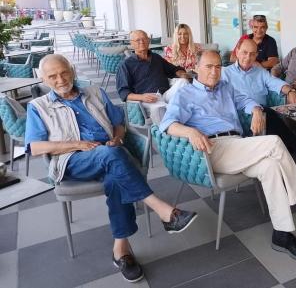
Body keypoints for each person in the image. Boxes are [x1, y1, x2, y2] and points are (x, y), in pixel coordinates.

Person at [25, 54, 197, 283]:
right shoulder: (38, 106)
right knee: (111, 157)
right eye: (52, 76)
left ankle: (121, 251)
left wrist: (117, 138)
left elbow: (118, 123)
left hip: (109, 152)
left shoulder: (95, 92)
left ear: (72, 70)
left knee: (115, 176)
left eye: (64, 72)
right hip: (73, 160)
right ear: (44, 79)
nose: (60, 79)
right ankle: (163, 210)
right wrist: (76, 144)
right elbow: (35, 147)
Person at [160, 49, 296, 261]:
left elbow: (247, 101)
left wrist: (256, 110)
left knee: (271, 167)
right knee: (274, 142)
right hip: (213, 148)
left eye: (218, 67)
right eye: (208, 67)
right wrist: (190, 131)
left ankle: (282, 235)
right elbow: (167, 124)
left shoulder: (225, 87)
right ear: (196, 68)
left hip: (236, 144)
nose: (214, 71)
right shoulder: (185, 94)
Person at [223, 38, 296, 164]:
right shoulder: (225, 73)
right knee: (269, 113)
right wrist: (256, 109)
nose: (248, 57)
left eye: (252, 54)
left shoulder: (260, 72)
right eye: (244, 52)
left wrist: (290, 91)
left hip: (264, 111)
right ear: (237, 52)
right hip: (243, 114)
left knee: (291, 108)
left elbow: (274, 82)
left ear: (256, 55)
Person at [116, 30, 190, 122]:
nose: (142, 42)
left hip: (165, 94)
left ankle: (187, 118)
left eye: (144, 39)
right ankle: (171, 126)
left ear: (148, 40)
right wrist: (142, 97)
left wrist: (181, 73)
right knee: (161, 108)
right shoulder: (126, 65)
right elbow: (123, 92)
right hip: (148, 99)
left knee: (184, 82)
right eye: (138, 40)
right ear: (131, 43)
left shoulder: (156, 57)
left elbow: (173, 69)